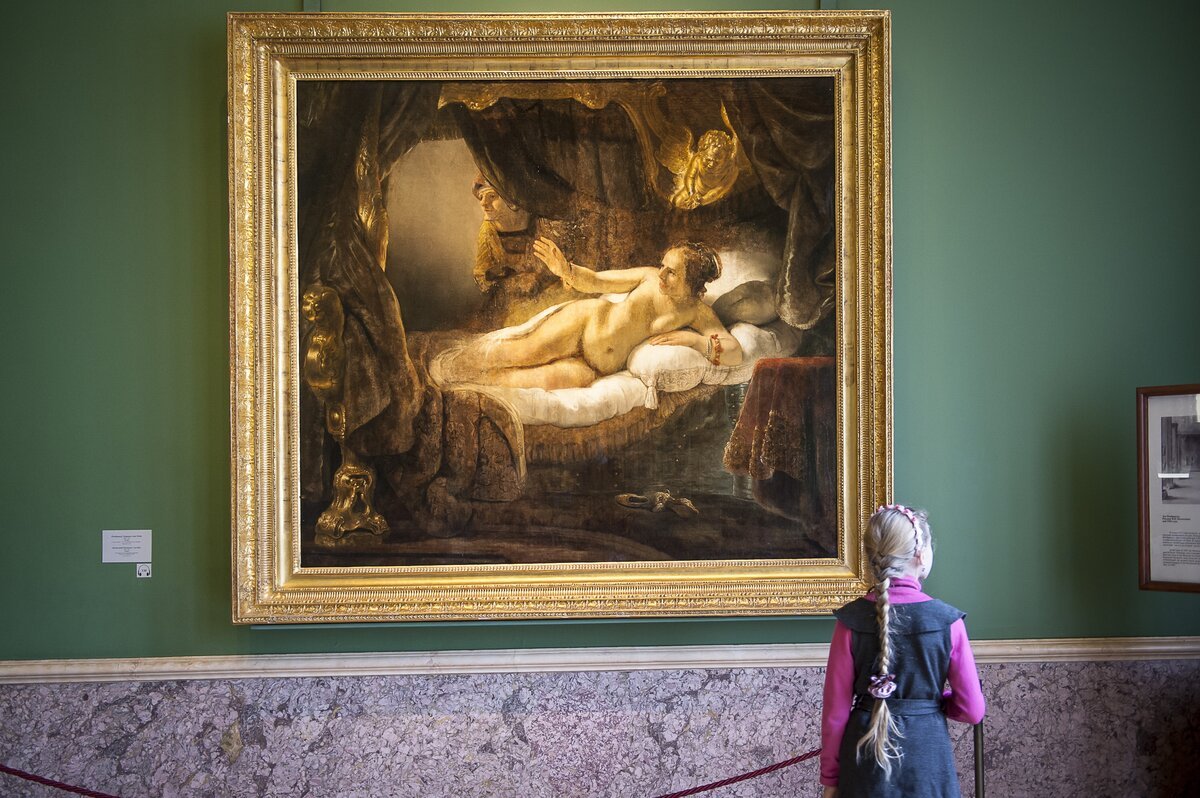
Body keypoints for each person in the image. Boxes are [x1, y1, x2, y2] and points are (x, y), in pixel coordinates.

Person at [820, 504, 985, 798]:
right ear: (921, 554)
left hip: (864, 762)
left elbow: (835, 714)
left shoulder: (850, 621)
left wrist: (831, 780)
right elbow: (972, 710)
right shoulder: (948, 622)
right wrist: (935, 703)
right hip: (927, 758)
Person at [443, 237, 743, 390]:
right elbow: (598, 281)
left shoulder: (697, 313)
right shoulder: (649, 277)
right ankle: (448, 367)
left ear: (693, 281)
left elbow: (734, 352)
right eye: (662, 265)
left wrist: (694, 342)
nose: (662, 274)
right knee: (520, 352)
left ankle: (461, 383)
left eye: (672, 272)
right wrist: (566, 270)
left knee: (538, 381)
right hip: (584, 324)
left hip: (597, 368)